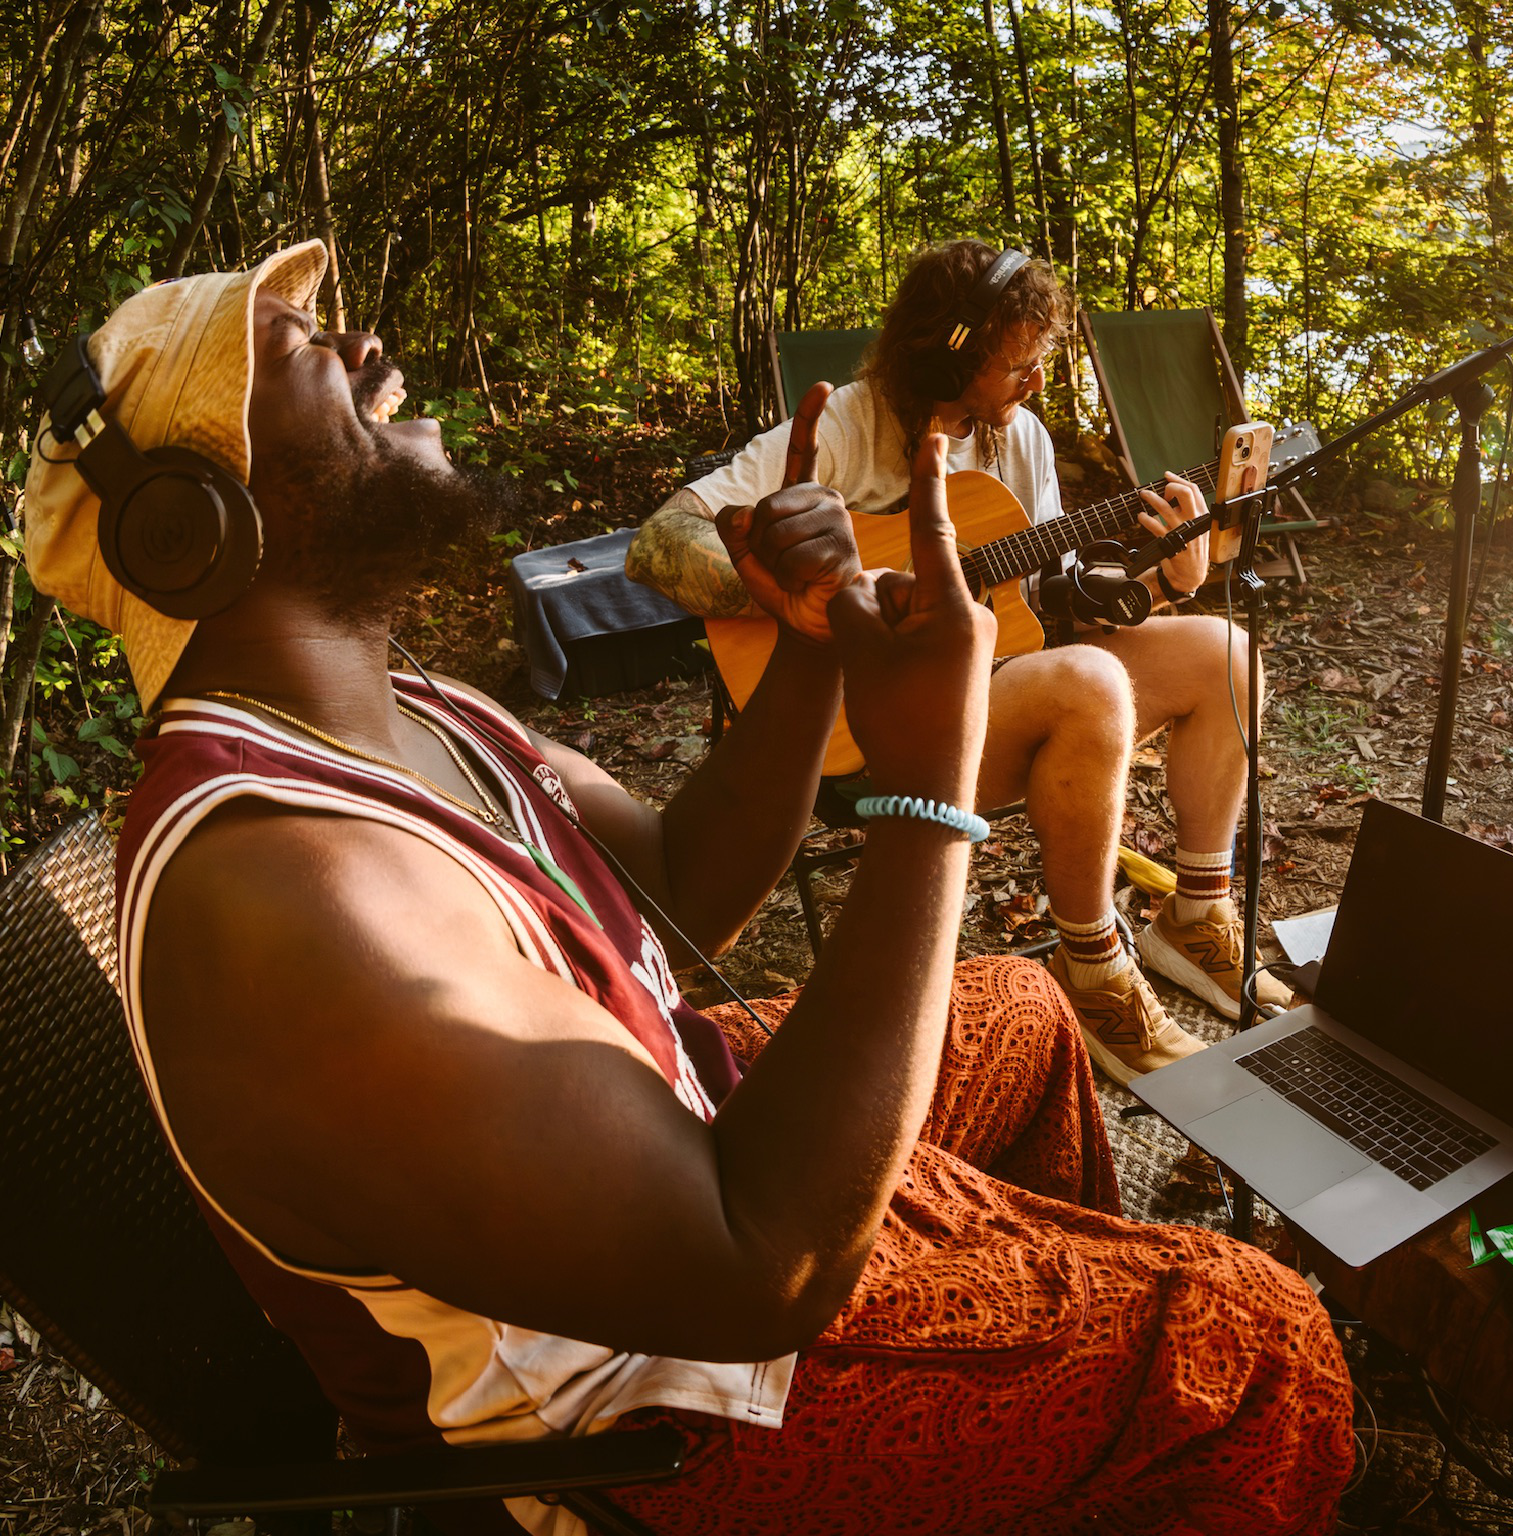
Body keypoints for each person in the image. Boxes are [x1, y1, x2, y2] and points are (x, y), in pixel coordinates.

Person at [20, 241, 1351, 1535]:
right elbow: (751, 1268)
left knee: (1020, 1013)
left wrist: (820, 642)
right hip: (649, 1420)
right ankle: (1115, 1399)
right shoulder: (280, 891)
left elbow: (680, 884)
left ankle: (1066, 1447)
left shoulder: (414, 705)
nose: (366, 346)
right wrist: (930, 793)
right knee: (1255, 1340)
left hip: (670, 1147)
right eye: (305, 347)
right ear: (192, 521)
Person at [626, 240, 1286, 1084]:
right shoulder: (845, 426)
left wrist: (1162, 578)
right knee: (1087, 682)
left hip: (991, 693)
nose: (1037, 384)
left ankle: (1195, 912)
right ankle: (1091, 969)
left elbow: (1044, 601)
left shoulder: (1020, 441)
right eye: (1020, 367)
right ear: (951, 353)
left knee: (1223, 652)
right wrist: (818, 599)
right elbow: (658, 543)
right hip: (862, 733)